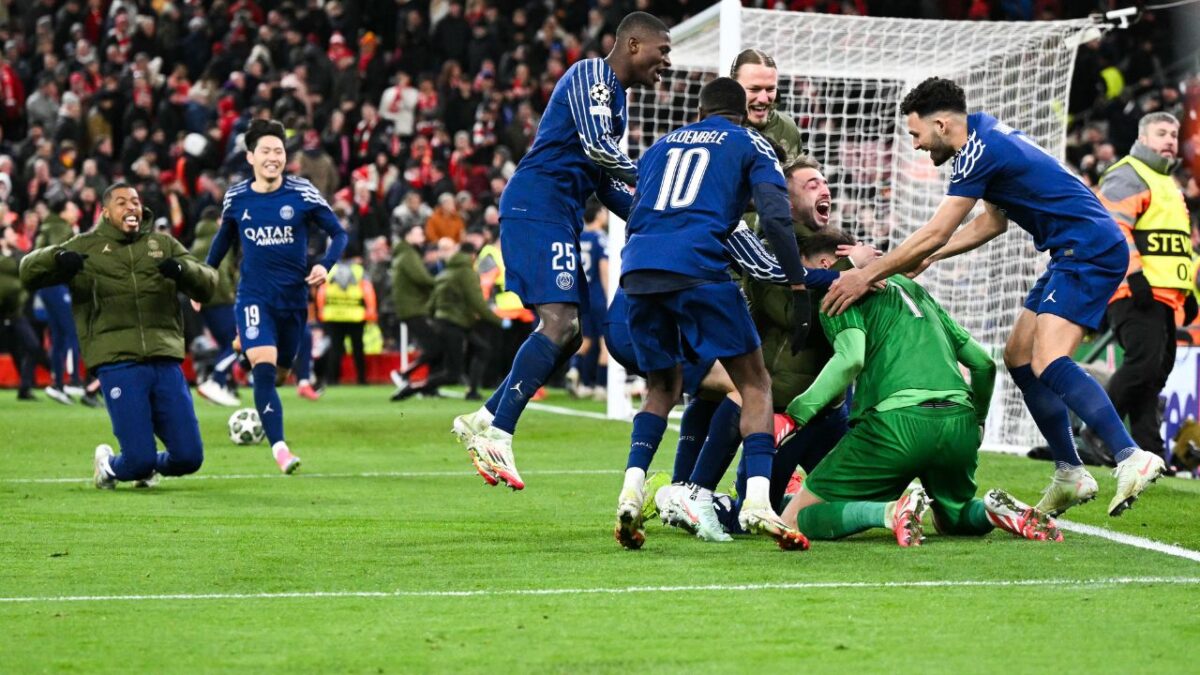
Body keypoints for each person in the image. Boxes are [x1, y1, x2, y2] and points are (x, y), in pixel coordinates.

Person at [822, 77, 1166, 518]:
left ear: (942, 125)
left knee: (1048, 360)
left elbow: (936, 229)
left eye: (916, 135)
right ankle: (1069, 471)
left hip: (1090, 247)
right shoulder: (984, 135)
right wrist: (931, 257)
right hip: (1070, 250)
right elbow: (991, 224)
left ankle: (1129, 455)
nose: (916, 146)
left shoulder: (978, 153)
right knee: (1019, 356)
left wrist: (864, 275)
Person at [452, 12, 673, 490]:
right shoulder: (592, 75)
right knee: (561, 323)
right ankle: (499, 432)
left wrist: (655, 217)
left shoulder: (617, 101)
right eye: (663, 51)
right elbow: (597, 148)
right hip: (538, 205)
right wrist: (659, 180)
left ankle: (484, 417)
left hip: (559, 212)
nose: (667, 63)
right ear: (634, 44)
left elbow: (604, 181)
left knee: (570, 334)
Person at [614, 77, 812, 551]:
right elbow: (776, 214)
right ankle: (759, 501)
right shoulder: (751, 142)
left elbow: (637, 206)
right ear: (741, 111)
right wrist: (799, 284)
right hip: (700, 269)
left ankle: (631, 488)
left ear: (700, 111)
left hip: (638, 270)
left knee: (662, 387)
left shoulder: (660, 145)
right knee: (756, 384)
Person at [779, 232, 1062, 545]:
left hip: (894, 426)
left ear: (824, 264)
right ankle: (994, 511)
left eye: (804, 272)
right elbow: (983, 363)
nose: (802, 284)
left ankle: (889, 512)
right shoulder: (914, 289)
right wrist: (977, 420)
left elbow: (850, 360)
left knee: (794, 519)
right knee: (952, 519)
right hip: (958, 421)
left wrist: (795, 415)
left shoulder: (838, 292)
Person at [20, 183, 217, 488]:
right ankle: (108, 466)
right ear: (106, 212)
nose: (131, 208)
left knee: (189, 458)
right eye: (122, 202)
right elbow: (27, 272)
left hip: (164, 358)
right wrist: (55, 259)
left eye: (136, 202)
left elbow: (208, 283)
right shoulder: (86, 246)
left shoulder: (163, 245)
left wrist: (182, 270)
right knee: (138, 461)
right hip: (117, 361)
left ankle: (149, 466)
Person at [202, 118, 348, 475]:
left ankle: (242, 350)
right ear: (250, 157)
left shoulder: (302, 193)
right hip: (253, 297)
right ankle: (280, 449)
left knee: (281, 373)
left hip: (294, 302)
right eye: (265, 151)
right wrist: (202, 280)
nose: (273, 157)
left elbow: (339, 234)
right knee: (264, 372)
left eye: (278, 151)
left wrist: (325, 266)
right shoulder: (236, 197)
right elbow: (222, 243)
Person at [1097, 112, 1191, 460]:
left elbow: (1180, 244)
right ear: (1143, 137)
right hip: (1136, 291)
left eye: (1174, 134)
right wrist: (1133, 275)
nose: (1170, 139)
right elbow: (1112, 229)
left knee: (1154, 374)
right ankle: (1095, 433)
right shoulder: (1129, 173)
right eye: (1162, 133)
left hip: (1165, 294)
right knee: (1143, 366)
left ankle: (1147, 450)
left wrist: (1191, 295)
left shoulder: (1168, 182)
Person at [392, 241, 501, 401]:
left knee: (481, 349)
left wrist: (434, 319)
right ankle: (413, 387)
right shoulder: (467, 273)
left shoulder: (445, 272)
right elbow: (476, 301)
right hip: (456, 325)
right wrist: (499, 321)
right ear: (472, 256)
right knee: (452, 374)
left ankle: (472, 390)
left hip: (447, 323)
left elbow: (431, 304)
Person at [34, 197, 86, 405]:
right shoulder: (60, 228)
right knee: (72, 332)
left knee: (58, 336)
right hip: (56, 285)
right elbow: (61, 255)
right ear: (63, 212)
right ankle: (73, 380)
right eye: (72, 207)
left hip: (47, 286)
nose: (76, 211)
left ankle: (57, 384)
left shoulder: (49, 225)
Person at [190, 205, 240, 407]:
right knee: (238, 343)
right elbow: (222, 271)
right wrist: (231, 294)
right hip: (221, 299)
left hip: (204, 302)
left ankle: (224, 386)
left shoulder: (196, 243)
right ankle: (216, 380)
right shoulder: (219, 239)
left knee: (226, 344)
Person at [567, 198, 610, 399]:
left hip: (581, 295)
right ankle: (601, 386)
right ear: (600, 213)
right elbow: (605, 270)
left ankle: (577, 375)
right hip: (599, 296)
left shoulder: (578, 236)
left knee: (585, 341)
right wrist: (610, 297)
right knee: (605, 343)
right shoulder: (600, 238)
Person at [388, 224, 437, 393]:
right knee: (433, 346)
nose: (422, 236)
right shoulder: (408, 255)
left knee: (433, 346)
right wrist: (443, 283)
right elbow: (422, 279)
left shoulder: (405, 254)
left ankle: (429, 386)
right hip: (414, 308)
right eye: (418, 233)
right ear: (408, 235)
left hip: (412, 307)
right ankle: (405, 374)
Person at [317, 253, 377, 386]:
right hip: (355, 316)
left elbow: (321, 292)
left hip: (333, 315)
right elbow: (368, 292)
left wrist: (321, 311)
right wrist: (371, 311)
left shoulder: (330, 270)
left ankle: (333, 379)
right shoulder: (359, 271)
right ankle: (361, 379)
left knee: (335, 349)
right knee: (358, 349)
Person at [0, 223, 41, 400]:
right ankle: (25, 387)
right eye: (10, 235)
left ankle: (25, 386)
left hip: (16, 312)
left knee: (32, 346)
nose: (15, 237)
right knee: (17, 349)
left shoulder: (18, 256)